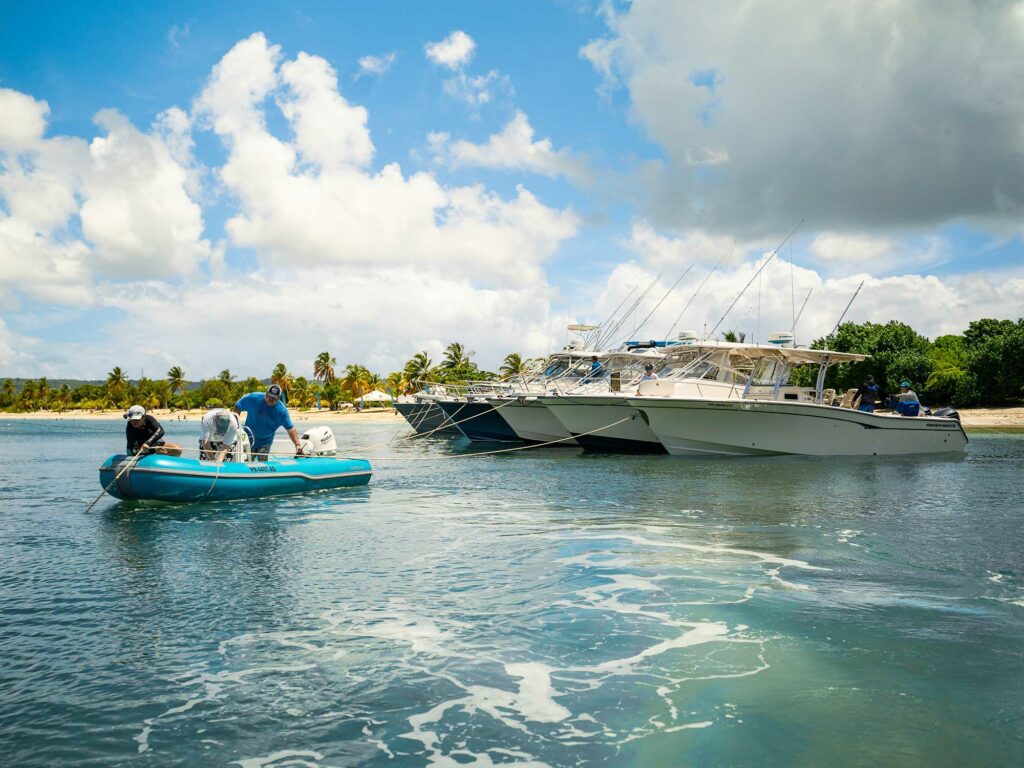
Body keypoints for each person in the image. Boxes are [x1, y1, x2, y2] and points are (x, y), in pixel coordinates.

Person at [233, 384, 303, 460]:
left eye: (274, 397)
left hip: (265, 442)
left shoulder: (282, 411)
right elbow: (238, 405)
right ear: (266, 393)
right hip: (248, 439)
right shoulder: (254, 398)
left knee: (262, 464)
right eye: (269, 395)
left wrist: (297, 445)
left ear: (278, 398)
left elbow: (290, 429)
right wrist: (236, 426)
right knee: (245, 461)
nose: (271, 398)